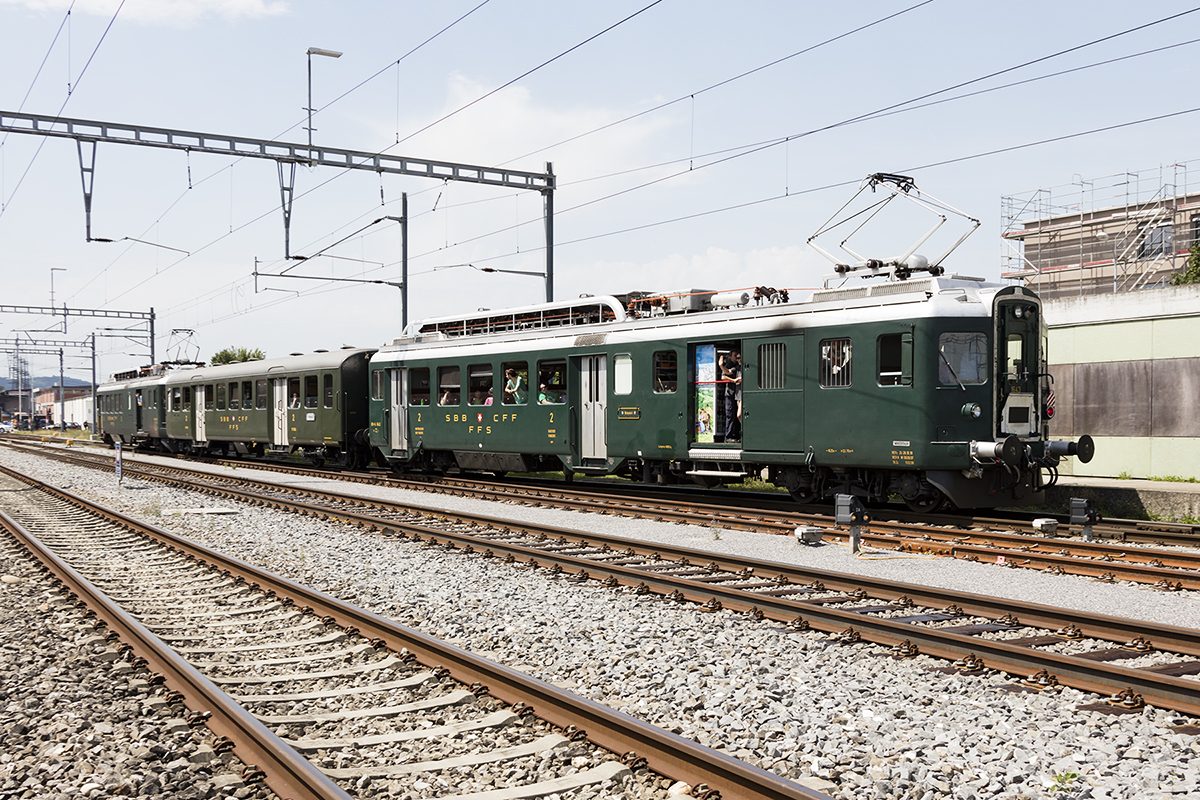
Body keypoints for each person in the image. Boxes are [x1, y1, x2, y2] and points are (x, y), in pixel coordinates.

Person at [719, 349, 741, 442]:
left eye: (739, 357)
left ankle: (736, 434)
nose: (737, 358)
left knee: (737, 416)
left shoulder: (737, 367)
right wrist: (721, 365)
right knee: (731, 415)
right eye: (736, 356)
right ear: (730, 356)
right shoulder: (730, 365)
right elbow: (724, 376)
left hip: (736, 394)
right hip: (731, 393)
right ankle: (728, 437)